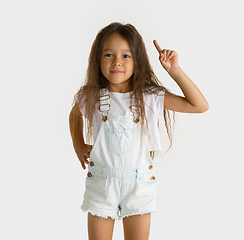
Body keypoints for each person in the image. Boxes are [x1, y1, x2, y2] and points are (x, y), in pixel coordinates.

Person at [69, 22, 208, 240]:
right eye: (108, 55)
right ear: (97, 59)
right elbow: (75, 115)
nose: (116, 61)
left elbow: (199, 105)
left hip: (139, 186)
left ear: (138, 60)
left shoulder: (150, 96)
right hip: (101, 185)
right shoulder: (92, 96)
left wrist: (175, 71)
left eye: (126, 56)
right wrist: (78, 143)